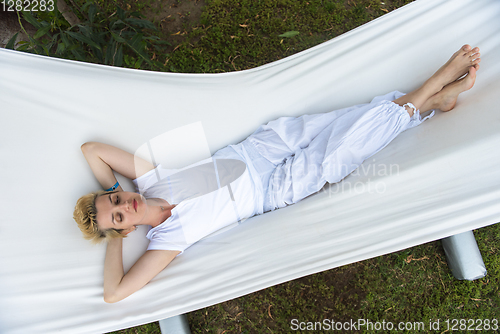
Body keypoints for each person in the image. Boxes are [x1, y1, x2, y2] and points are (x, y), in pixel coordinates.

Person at [74, 45, 480, 303]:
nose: (124, 203)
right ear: (125, 231)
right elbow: (114, 293)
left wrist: (111, 191)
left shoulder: (147, 180)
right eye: (121, 215)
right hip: (274, 189)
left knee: (347, 120)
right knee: (345, 146)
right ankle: (432, 87)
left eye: (114, 199)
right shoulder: (165, 242)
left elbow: (91, 150)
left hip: (261, 147)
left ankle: (431, 104)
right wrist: (113, 237)